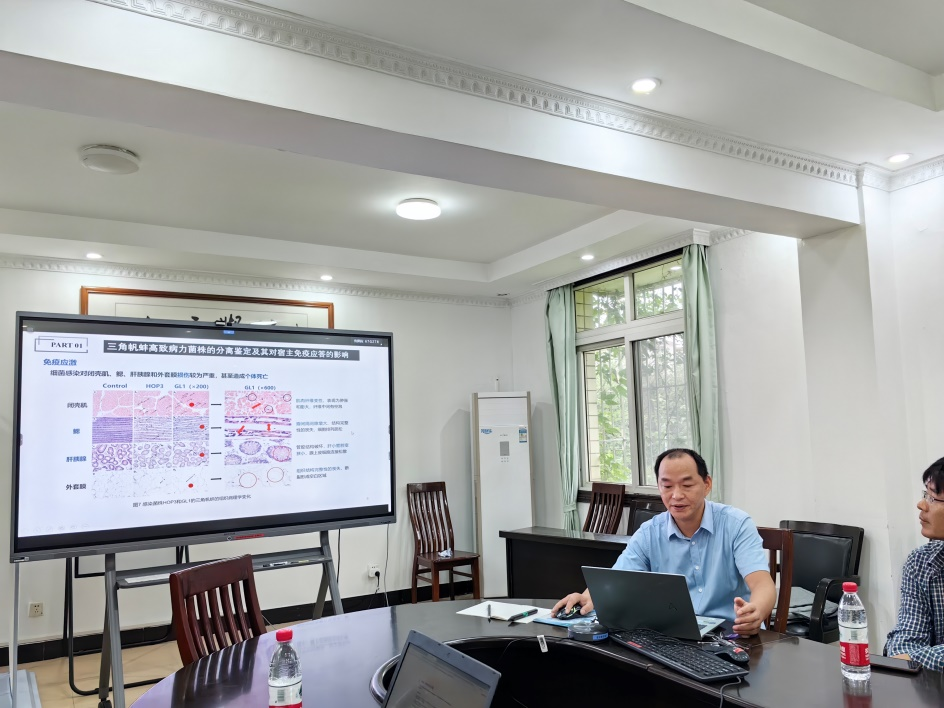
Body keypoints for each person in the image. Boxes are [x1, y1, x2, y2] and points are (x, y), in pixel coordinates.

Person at [552, 448, 775, 635]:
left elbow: (762, 585)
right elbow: (616, 581)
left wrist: (755, 612)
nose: (676, 495)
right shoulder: (649, 532)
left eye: (687, 485)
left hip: (732, 635)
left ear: (707, 484)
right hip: (674, 636)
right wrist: (586, 597)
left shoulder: (736, 524)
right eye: (667, 486)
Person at [884, 456, 944, 669]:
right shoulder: (920, 563)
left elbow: (905, 659)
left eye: (933, 498)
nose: (921, 504)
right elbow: (905, 642)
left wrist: (913, 659)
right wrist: (906, 658)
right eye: (925, 495)